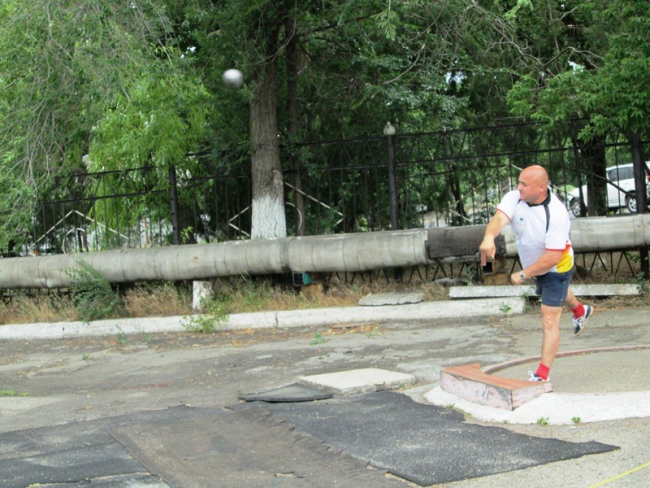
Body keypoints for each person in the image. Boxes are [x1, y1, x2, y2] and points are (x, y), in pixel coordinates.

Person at [479, 165, 593, 382]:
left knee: (549, 317)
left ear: (541, 187)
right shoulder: (515, 198)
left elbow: (553, 256)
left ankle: (542, 375)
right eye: (518, 182)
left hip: (556, 266)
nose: (519, 187)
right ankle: (580, 311)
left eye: (524, 184)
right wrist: (488, 238)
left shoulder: (557, 213)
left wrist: (523, 274)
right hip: (535, 265)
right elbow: (498, 219)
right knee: (558, 293)